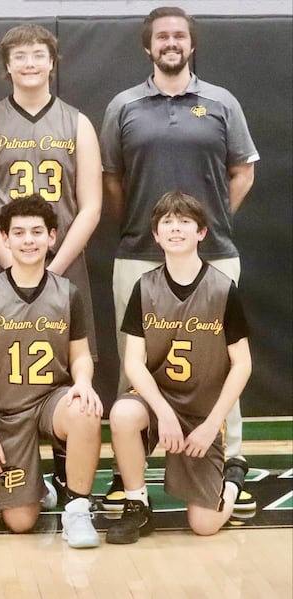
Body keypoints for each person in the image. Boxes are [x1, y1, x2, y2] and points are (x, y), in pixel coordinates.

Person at [100, 6, 259, 512]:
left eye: (179, 36)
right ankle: (130, 471)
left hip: (214, 253)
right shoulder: (123, 105)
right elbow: (111, 180)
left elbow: (243, 172)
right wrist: (147, 229)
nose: (171, 43)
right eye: (162, 36)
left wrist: (205, 225)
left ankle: (230, 460)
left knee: (221, 362)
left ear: (192, 44)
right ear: (148, 46)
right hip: (137, 253)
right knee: (133, 362)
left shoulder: (221, 102)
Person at [0, 24, 102, 497]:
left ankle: (68, 474)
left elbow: (91, 206)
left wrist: (51, 269)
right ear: (7, 65)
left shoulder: (78, 123)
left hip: (62, 258)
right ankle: (8, 472)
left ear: (52, 62)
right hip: (4, 263)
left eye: (38, 54)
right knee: (1, 366)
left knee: (70, 362)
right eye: (19, 56)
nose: (29, 63)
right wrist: (13, 263)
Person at [105, 191, 252, 544]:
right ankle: (137, 505)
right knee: (123, 413)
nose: (175, 228)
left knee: (204, 525)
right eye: (167, 222)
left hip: (202, 413)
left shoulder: (222, 289)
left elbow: (242, 364)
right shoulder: (144, 287)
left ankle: (233, 476)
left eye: (185, 221)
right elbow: (133, 363)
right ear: (156, 235)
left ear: (201, 232)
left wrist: (212, 424)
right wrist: (163, 412)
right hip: (159, 402)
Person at [0, 195, 102, 549]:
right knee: (20, 522)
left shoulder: (68, 293)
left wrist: (83, 382)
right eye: (19, 232)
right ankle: (38, 487)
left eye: (37, 232)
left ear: (52, 237)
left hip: (51, 402)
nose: (28, 240)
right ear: (5, 239)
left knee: (85, 410)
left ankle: (77, 509)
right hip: (7, 412)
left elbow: (80, 356)